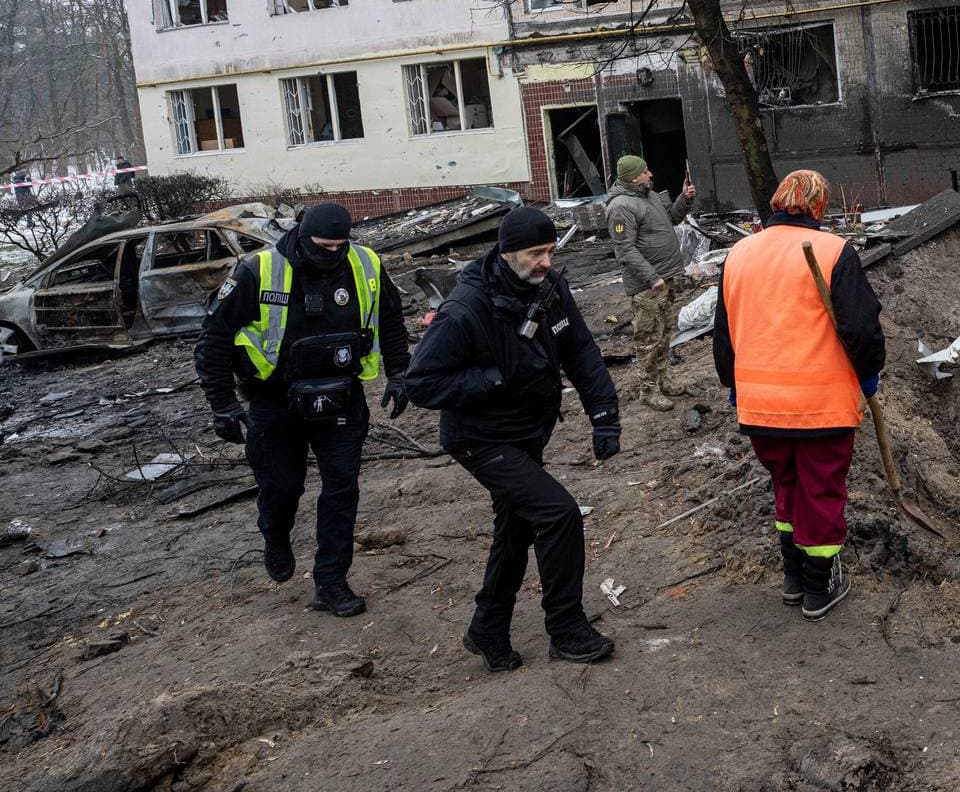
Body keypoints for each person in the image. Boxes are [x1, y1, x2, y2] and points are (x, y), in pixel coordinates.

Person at [407, 205, 621, 670]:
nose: (546, 261)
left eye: (549, 250)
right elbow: (419, 383)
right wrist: (492, 380)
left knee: (516, 526)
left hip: (528, 432)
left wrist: (604, 415)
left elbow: (580, 350)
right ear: (506, 254)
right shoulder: (466, 309)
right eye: (535, 253)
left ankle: (487, 629)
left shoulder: (549, 288)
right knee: (558, 514)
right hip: (480, 439)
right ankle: (566, 628)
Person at [193, 202, 412, 618]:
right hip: (276, 402)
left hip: (342, 396)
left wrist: (401, 375)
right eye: (323, 246)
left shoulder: (364, 263)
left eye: (339, 246)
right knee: (282, 488)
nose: (332, 254)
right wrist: (222, 404)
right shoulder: (258, 270)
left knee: (342, 490)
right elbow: (214, 339)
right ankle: (275, 534)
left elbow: (392, 322)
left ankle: (331, 582)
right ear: (302, 235)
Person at [714, 169, 884, 621]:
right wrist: (870, 375)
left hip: (759, 406)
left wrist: (734, 386)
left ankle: (793, 578)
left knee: (786, 485)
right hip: (819, 406)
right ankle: (819, 586)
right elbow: (861, 330)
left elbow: (723, 334)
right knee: (820, 492)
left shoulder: (739, 254)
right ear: (818, 206)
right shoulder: (833, 252)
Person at [605, 154, 697, 412]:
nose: (650, 174)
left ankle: (664, 380)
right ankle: (649, 391)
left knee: (665, 333)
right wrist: (651, 276)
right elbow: (624, 248)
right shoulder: (621, 207)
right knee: (648, 338)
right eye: (645, 171)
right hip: (648, 284)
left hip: (665, 278)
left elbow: (672, 219)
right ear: (634, 177)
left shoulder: (649, 195)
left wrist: (684, 199)